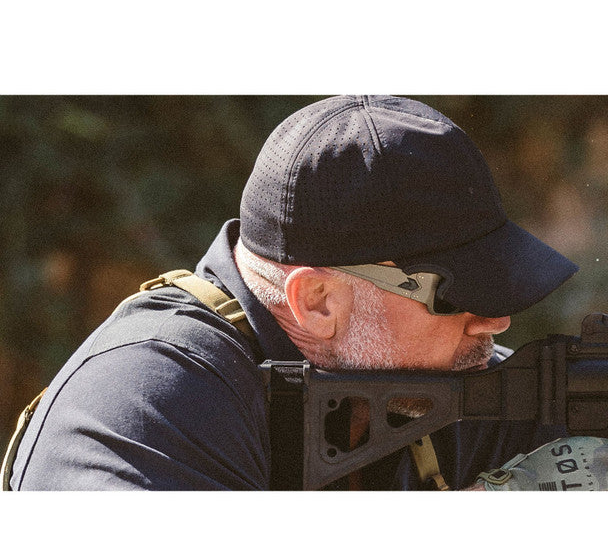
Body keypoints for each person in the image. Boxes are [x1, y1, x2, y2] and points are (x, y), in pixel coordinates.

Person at [6, 95, 579, 491]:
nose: (495, 322)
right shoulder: (146, 403)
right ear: (318, 302)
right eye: (457, 296)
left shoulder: (433, 382)